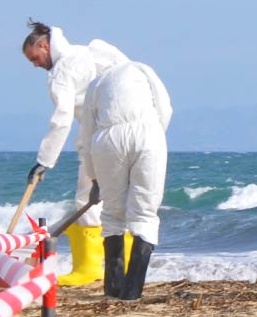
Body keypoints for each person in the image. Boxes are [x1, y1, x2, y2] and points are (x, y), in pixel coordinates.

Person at [23, 20, 130, 287]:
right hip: (129, 132)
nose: (35, 65)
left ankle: (88, 268)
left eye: (35, 58)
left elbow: (62, 119)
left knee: (87, 198)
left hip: (97, 137)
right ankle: (125, 268)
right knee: (119, 199)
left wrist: (44, 161)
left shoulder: (61, 71)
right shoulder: (89, 52)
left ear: (45, 46)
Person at [81, 60, 172, 301]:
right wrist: (154, 134)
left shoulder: (96, 82)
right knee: (145, 212)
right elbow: (165, 108)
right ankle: (132, 291)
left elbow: (86, 132)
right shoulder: (142, 68)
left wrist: (93, 177)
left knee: (112, 213)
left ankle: (113, 287)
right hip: (148, 134)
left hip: (107, 140)